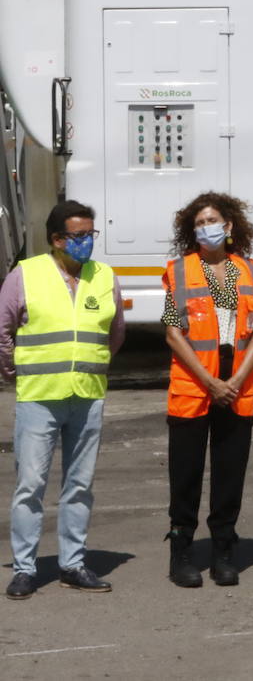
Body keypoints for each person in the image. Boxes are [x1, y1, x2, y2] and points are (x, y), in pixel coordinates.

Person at [1, 201, 124, 600]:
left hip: (87, 397)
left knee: (79, 485)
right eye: (78, 236)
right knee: (30, 486)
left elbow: (115, 332)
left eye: (90, 234)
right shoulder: (26, 274)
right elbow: (3, 329)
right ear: (56, 240)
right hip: (39, 398)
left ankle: (73, 563)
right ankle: (24, 569)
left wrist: (94, 365)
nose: (86, 242)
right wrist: (13, 371)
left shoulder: (104, 276)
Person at [162, 192, 253, 588]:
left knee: (230, 471)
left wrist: (236, 380)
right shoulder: (179, 270)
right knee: (185, 473)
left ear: (229, 225)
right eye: (199, 223)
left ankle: (224, 548)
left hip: (237, 385)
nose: (207, 228)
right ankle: (182, 551)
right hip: (195, 384)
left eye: (213, 221)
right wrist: (210, 382)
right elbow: (174, 334)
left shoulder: (247, 269)